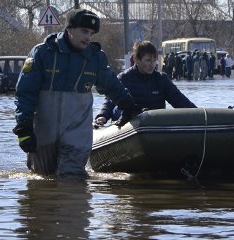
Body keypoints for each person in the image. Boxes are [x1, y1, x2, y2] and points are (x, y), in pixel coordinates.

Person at [13, 9, 142, 177]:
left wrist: (129, 106)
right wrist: (24, 127)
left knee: (72, 179)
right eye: (84, 31)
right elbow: (25, 93)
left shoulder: (95, 58)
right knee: (42, 179)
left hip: (77, 131)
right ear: (69, 29)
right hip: (45, 130)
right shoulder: (43, 53)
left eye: (91, 33)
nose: (88, 37)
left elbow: (111, 85)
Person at [95, 40, 196, 125]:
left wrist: (199, 114)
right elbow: (110, 100)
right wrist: (103, 115)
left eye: (154, 60)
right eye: (148, 60)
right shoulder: (124, 78)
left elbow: (180, 100)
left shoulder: (162, 79)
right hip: (130, 125)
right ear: (137, 60)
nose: (152, 64)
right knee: (117, 111)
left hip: (155, 125)